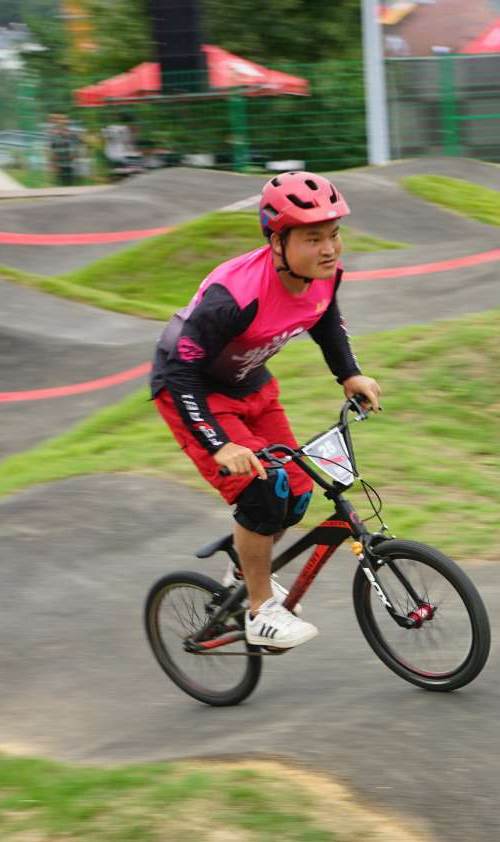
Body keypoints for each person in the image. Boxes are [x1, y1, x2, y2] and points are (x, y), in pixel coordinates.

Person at [149, 171, 382, 649]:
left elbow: (326, 322)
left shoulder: (324, 276)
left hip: (252, 383)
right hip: (194, 392)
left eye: (334, 234)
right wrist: (220, 444)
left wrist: (349, 374)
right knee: (262, 489)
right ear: (277, 242)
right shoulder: (233, 296)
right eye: (313, 238)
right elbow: (181, 371)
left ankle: (244, 563)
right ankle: (258, 610)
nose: (330, 248)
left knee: (295, 492)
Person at [46, 113, 78, 186]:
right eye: (61, 119)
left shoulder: (71, 133)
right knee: (61, 184)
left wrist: (74, 154)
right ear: (58, 122)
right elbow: (51, 148)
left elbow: (75, 146)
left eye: (65, 119)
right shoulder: (54, 134)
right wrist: (53, 162)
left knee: (70, 183)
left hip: (70, 163)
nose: (64, 121)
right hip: (59, 163)